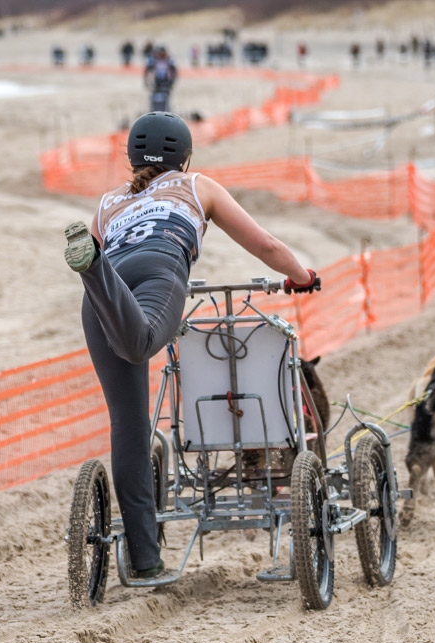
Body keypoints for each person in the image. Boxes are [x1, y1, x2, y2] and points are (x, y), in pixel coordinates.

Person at [63, 112, 318, 579]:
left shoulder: (109, 201)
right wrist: (302, 276)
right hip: (158, 270)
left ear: (131, 156)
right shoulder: (198, 186)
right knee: (140, 343)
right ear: (185, 157)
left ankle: (146, 561)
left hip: (105, 294)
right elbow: (264, 244)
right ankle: (95, 268)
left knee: (128, 425)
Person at [144, 45, 177, 112]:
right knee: (154, 97)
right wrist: (147, 81)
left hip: (166, 81)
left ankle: (166, 111)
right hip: (157, 81)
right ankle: (153, 110)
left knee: (166, 98)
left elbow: (174, 71)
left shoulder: (169, 60)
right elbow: (147, 70)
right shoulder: (154, 60)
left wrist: (172, 82)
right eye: (160, 53)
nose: (162, 55)